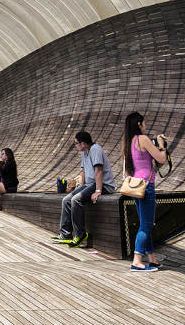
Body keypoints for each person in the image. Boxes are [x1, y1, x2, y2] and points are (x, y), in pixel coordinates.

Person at [53, 131, 116, 247]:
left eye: (76, 143)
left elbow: (99, 170)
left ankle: (80, 234)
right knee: (66, 199)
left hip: (103, 184)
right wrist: (79, 186)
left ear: (83, 143)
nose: (75, 146)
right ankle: (65, 234)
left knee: (76, 199)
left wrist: (98, 191)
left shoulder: (95, 149)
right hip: (90, 185)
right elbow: (84, 171)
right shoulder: (84, 153)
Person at [123, 112, 168, 271]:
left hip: (136, 186)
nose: (146, 126)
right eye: (144, 123)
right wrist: (161, 145)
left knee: (145, 223)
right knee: (147, 225)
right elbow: (161, 159)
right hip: (147, 186)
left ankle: (152, 258)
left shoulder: (129, 142)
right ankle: (136, 261)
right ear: (139, 124)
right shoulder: (143, 139)